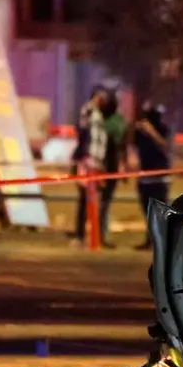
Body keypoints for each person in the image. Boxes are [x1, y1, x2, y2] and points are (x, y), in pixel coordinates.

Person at [71, 86, 109, 247]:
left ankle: (89, 235)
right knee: (85, 199)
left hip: (94, 162)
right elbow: (85, 132)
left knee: (92, 200)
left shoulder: (98, 115)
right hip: (88, 162)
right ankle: (81, 235)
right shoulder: (90, 112)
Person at [132, 102, 172, 250]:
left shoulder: (164, 130)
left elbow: (166, 146)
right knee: (147, 211)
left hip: (160, 178)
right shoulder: (140, 133)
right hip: (144, 177)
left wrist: (152, 132)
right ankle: (150, 240)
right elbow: (132, 147)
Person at [99, 91, 128, 249]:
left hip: (107, 164)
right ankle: (101, 234)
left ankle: (101, 234)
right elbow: (123, 147)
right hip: (111, 165)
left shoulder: (104, 120)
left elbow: (121, 146)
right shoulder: (119, 121)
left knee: (103, 202)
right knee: (105, 202)